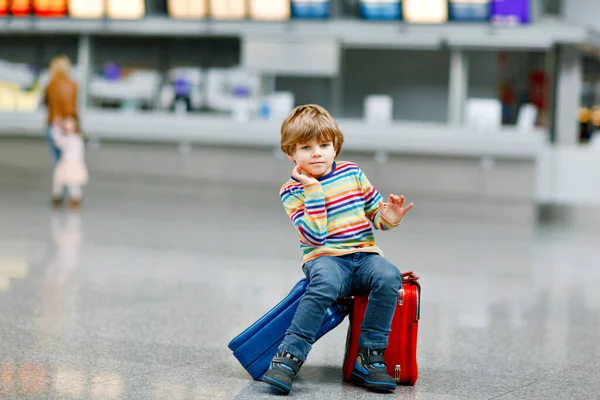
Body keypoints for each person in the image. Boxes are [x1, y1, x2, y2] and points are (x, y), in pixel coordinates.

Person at [262, 104, 414, 395]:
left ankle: (368, 356)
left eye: (324, 145)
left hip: (364, 255)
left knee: (388, 276)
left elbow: (377, 217)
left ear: (336, 147)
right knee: (325, 284)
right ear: (290, 154)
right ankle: (289, 356)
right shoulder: (291, 190)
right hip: (325, 258)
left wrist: (390, 217)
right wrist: (312, 187)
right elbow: (315, 236)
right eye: (306, 147)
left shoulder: (353, 174)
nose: (317, 152)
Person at [44, 54, 79, 166]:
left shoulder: (50, 85)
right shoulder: (73, 84)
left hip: (53, 123)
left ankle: (60, 181)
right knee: (70, 158)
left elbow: (47, 103)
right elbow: (71, 107)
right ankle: (69, 180)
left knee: (58, 160)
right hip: (69, 125)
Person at [51, 116, 88, 210]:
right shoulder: (72, 138)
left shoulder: (74, 139)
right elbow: (59, 141)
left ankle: (74, 199)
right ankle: (57, 197)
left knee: (73, 184)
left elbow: (59, 141)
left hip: (72, 164)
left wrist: (56, 129)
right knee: (59, 181)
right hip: (66, 164)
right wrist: (56, 128)